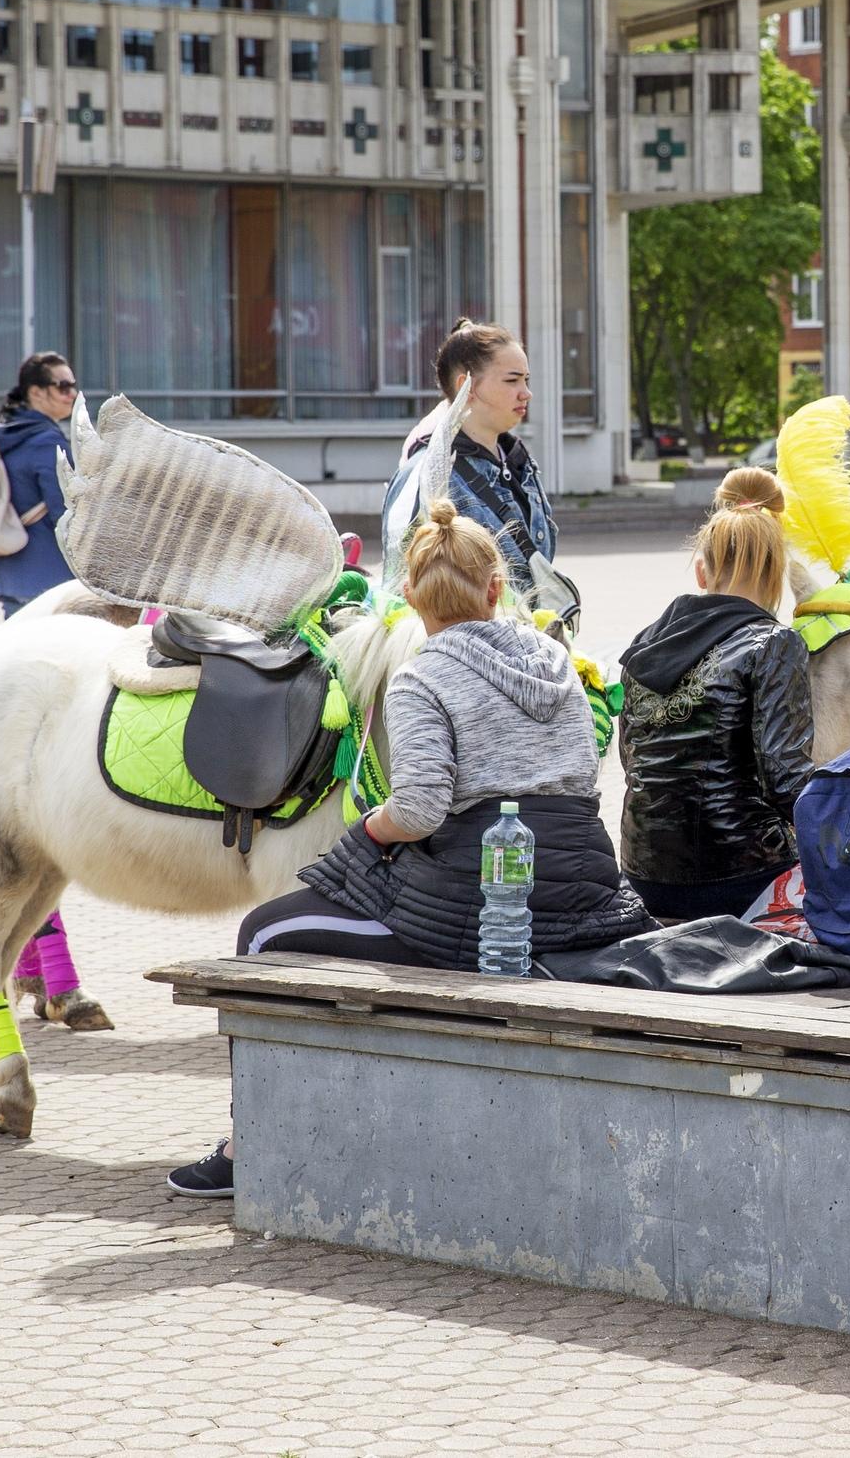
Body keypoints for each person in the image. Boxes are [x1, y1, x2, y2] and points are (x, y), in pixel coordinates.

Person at [168, 501, 649, 1198]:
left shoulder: (425, 677)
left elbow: (420, 809)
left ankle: (254, 1143)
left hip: (483, 902)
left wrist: (366, 834)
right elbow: (582, 779)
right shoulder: (557, 662)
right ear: (496, 588)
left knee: (265, 931)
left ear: (415, 603)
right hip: (584, 893)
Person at [613, 469, 818, 921]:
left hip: (644, 875)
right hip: (739, 879)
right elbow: (788, 782)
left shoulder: (645, 644)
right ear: (777, 571)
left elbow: (634, 764)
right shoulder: (774, 643)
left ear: (702, 572)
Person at [380, 323, 556, 598]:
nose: (526, 392)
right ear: (466, 385)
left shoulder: (519, 464)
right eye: (512, 380)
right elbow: (398, 588)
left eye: (526, 380)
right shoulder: (427, 472)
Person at [0, 351, 79, 617]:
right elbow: (67, 514)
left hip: (13, 571)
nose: (71, 393)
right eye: (63, 386)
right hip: (50, 581)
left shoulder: (7, 435)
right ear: (36, 392)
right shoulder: (46, 443)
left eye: (72, 385)